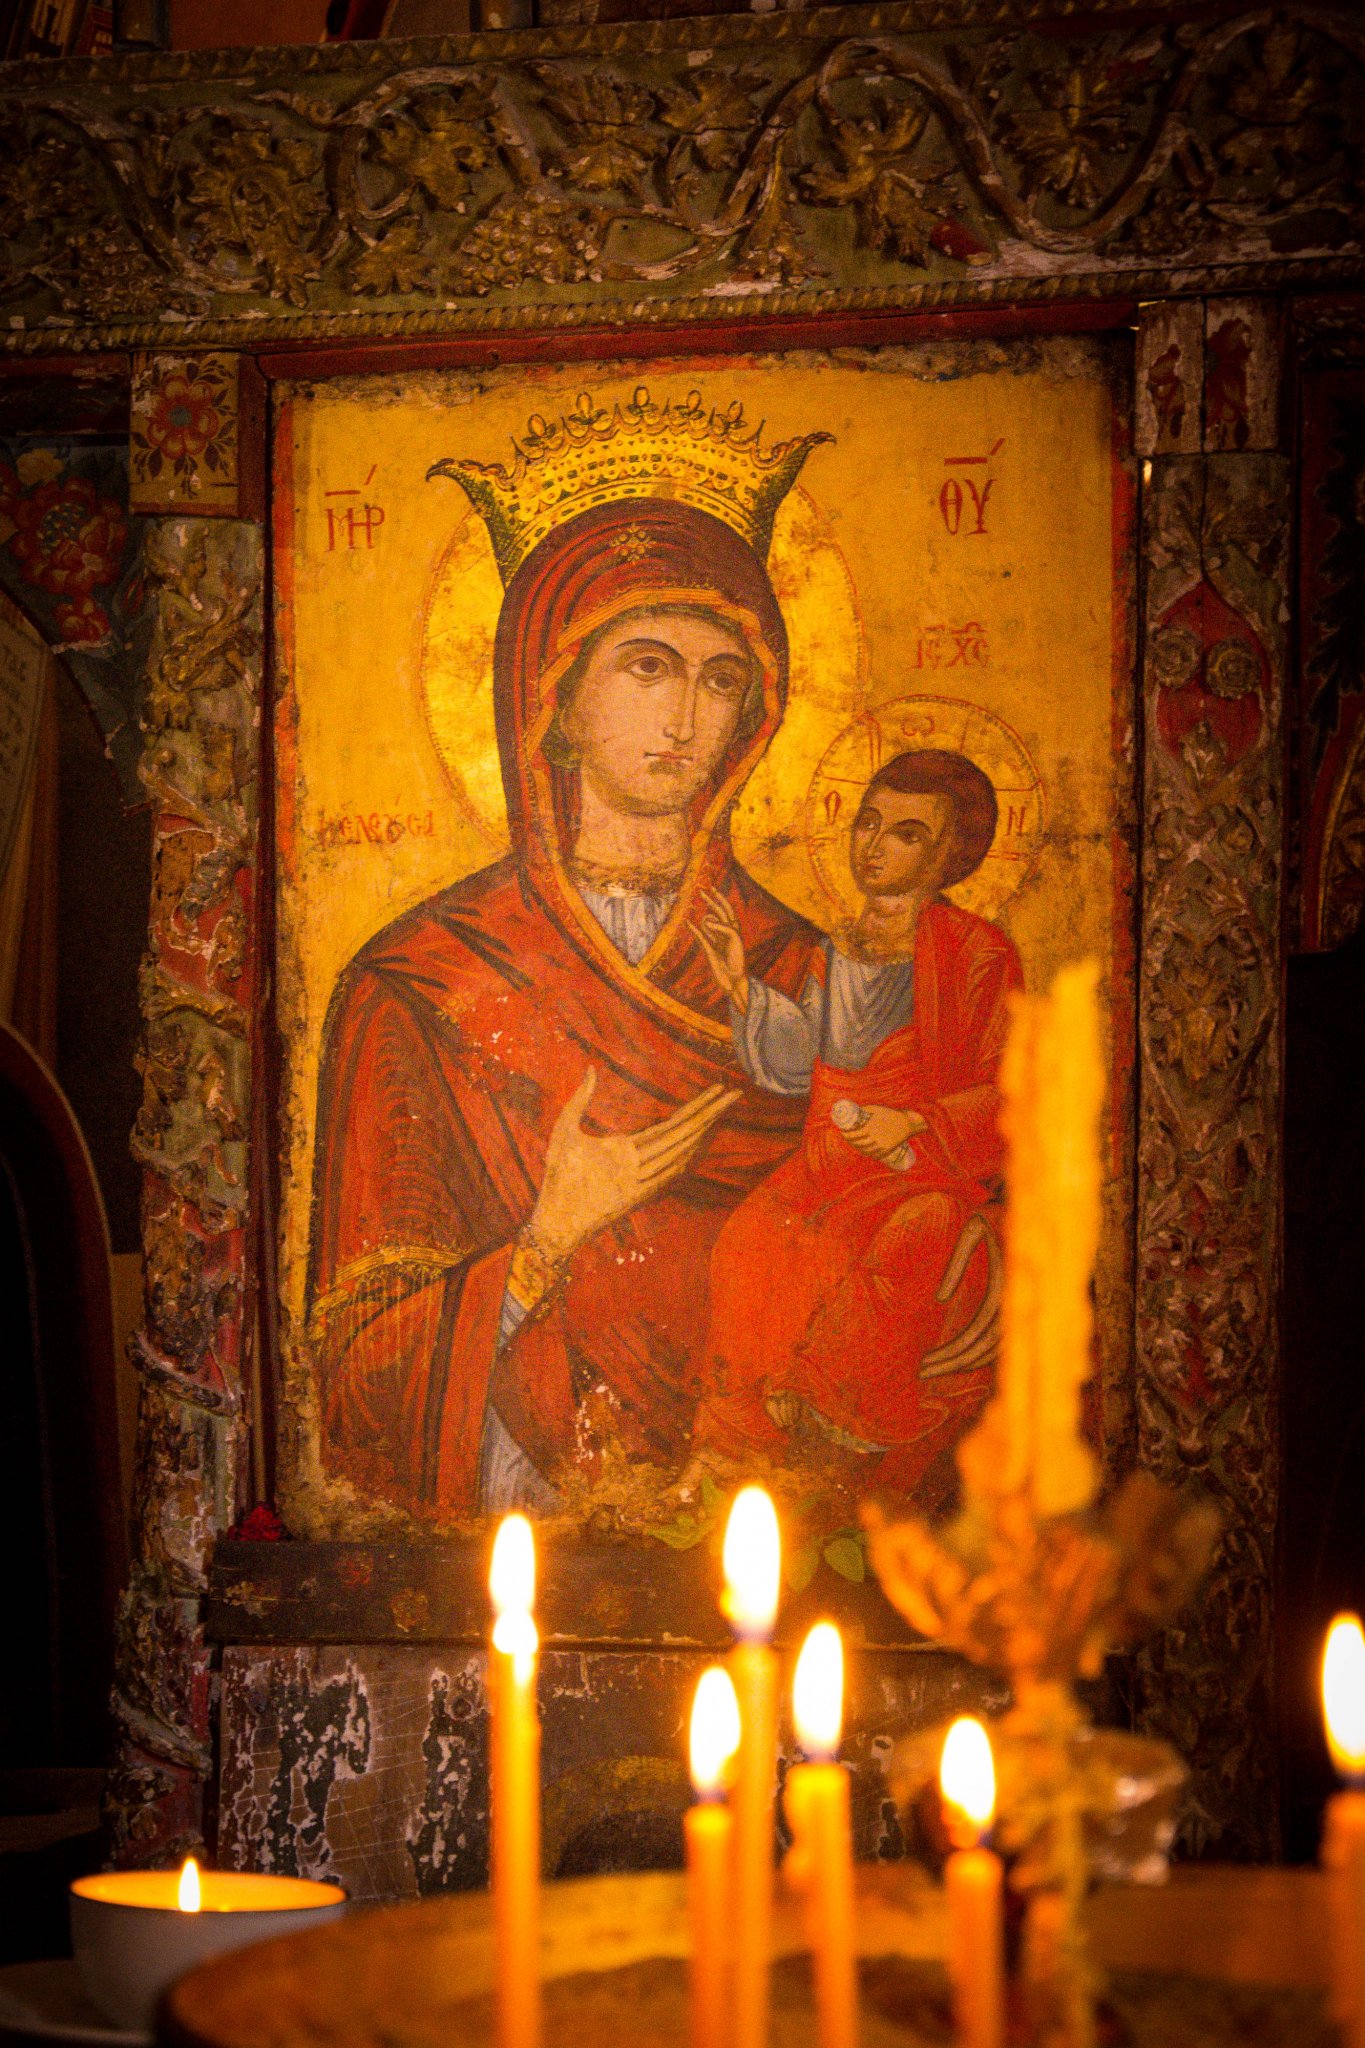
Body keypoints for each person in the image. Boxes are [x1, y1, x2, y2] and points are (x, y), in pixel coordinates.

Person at [305, 491, 821, 1522]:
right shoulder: (419, 984)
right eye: (646, 666)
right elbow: (360, 1378)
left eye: (721, 680)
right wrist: (547, 1238)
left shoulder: (804, 975)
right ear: (558, 692)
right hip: (512, 1524)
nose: (684, 718)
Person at [687, 747, 1023, 1495]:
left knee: (909, 1236)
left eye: (904, 833)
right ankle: (737, 1442)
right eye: (866, 823)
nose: (872, 845)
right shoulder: (832, 946)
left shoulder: (976, 954)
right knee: (744, 1242)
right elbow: (799, 1063)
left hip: (920, 1170)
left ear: (948, 854)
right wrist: (741, 987)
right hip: (827, 1160)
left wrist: (912, 1123)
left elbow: (1013, 1090)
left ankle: (826, 1418)